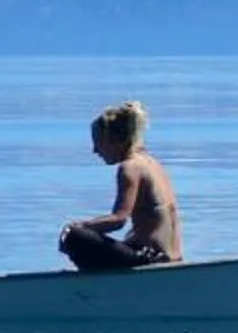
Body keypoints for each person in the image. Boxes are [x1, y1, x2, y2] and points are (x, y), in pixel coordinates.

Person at [59, 100, 183, 272]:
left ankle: (95, 282)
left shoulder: (130, 168)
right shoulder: (152, 163)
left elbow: (118, 220)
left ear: (116, 140)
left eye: (98, 142)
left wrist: (79, 226)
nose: (95, 150)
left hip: (151, 260)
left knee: (73, 236)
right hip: (172, 258)